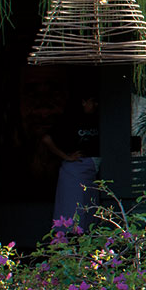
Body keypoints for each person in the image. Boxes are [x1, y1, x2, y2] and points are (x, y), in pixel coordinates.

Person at [41, 91, 100, 231]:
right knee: (72, 211)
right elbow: (46, 139)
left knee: (89, 211)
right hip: (75, 170)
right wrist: (66, 157)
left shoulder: (98, 118)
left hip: (92, 171)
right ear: (83, 102)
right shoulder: (70, 120)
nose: (96, 105)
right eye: (93, 101)